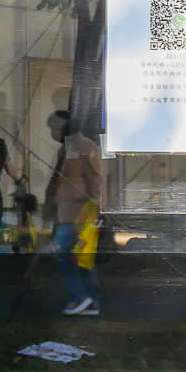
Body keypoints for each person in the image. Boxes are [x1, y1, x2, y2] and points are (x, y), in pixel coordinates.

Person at [43, 108, 104, 315]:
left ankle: (81, 297)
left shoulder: (84, 146)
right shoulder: (67, 148)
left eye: (54, 127)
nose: (52, 132)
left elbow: (94, 177)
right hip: (67, 211)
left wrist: (93, 207)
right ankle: (91, 301)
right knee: (80, 257)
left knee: (65, 253)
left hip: (79, 212)